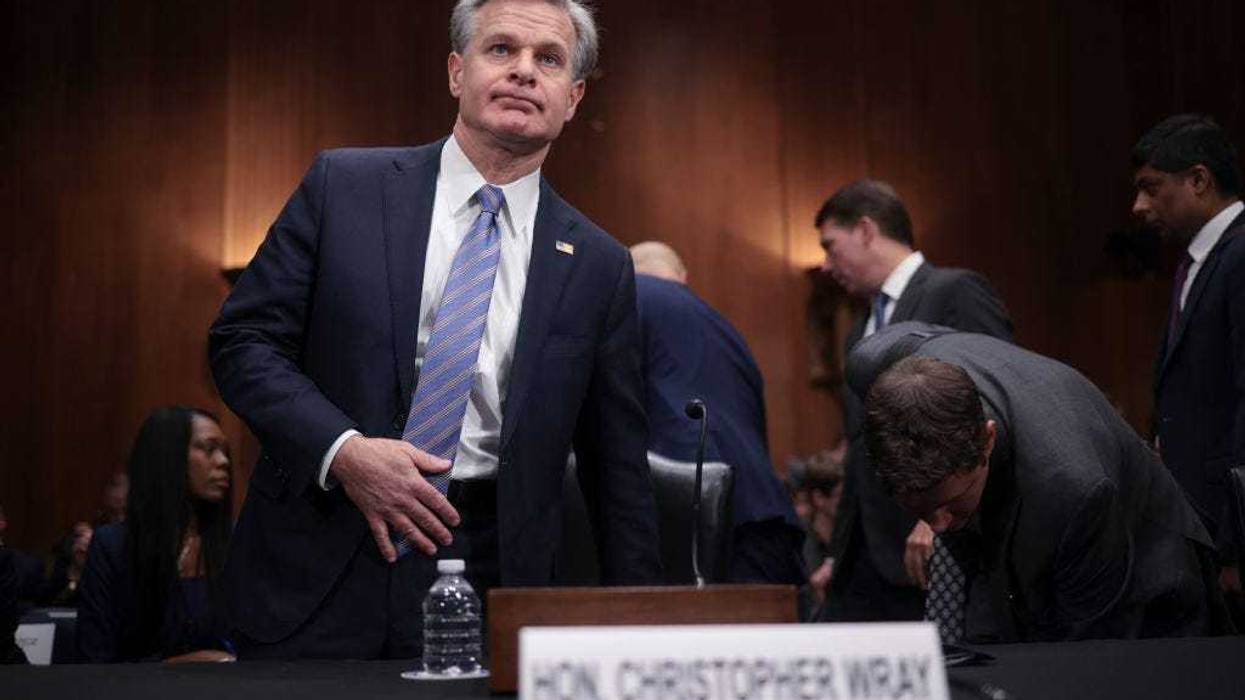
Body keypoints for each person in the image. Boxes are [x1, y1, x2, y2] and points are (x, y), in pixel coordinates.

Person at [209, 0, 660, 659]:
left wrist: (642, 629)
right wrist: (345, 451)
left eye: (548, 60)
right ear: (456, 71)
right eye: (500, 49)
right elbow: (241, 344)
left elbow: (617, 470)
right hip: (324, 547)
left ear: (573, 97)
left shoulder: (597, 264)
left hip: (489, 567)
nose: (523, 72)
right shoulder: (345, 188)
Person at [849, 322, 1230, 642]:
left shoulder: (1074, 487)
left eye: (951, 503)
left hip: (1145, 596)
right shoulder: (874, 365)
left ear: (987, 439)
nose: (938, 525)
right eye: (921, 508)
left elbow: (1084, 655)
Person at [814, 179, 1013, 622]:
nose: (826, 265)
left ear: (866, 230)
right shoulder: (858, 329)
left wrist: (938, 515)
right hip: (865, 561)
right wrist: (838, 555)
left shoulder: (955, 290)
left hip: (931, 548)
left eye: (830, 246)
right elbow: (858, 453)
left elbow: (994, 400)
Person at [630, 241, 804, 585]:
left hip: (690, 523)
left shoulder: (634, 293)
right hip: (764, 516)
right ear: (683, 277)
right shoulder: (727, 330)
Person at [1130, 114, 1244, 620]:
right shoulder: (1197, 262)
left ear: (1198, 180)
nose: (1139, 206)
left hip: (1230, 533)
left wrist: (1237, 542)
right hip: (1199, 529)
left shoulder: (1240, 256)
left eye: (1151, 189)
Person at [76, 407, 235, 662]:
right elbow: (93, 660)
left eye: (224, 451)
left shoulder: (235, 542)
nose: (223, 461)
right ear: (168, 457)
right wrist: (180, 665)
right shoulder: (113, 547)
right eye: (208, 448)